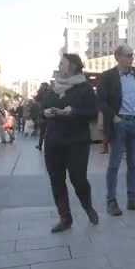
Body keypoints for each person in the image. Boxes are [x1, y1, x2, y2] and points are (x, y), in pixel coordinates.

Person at [42, 53, 99, 233]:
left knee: (78, 179)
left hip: (77, 142)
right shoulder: (54, 89)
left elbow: (92, 114)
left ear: (73, 66)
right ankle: (65, 218)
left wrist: (72, 112)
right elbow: (42, 109)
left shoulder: (85, 89)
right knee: (56, 180)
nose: (59, 66)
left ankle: (88, 206)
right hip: (53, 142)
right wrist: (45, 113)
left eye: (62, 63)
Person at [98, 45, 135, 216]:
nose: (132, 58)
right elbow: (101, 101)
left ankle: (132, 199)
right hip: (118, 123)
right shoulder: (107, 76)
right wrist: (113, 117)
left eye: (132, 55)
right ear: (118, 57)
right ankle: (111, 202)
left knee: (134, 164)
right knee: (114, 164)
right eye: (129, 55)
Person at [36, 83, 52, 150]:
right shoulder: (50, 93)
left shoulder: (40, 93)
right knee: (49, 131)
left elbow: (37, 100)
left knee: (42, 131)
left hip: (42, 114)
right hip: (49, 114)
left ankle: (40, 145)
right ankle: (48, 145)